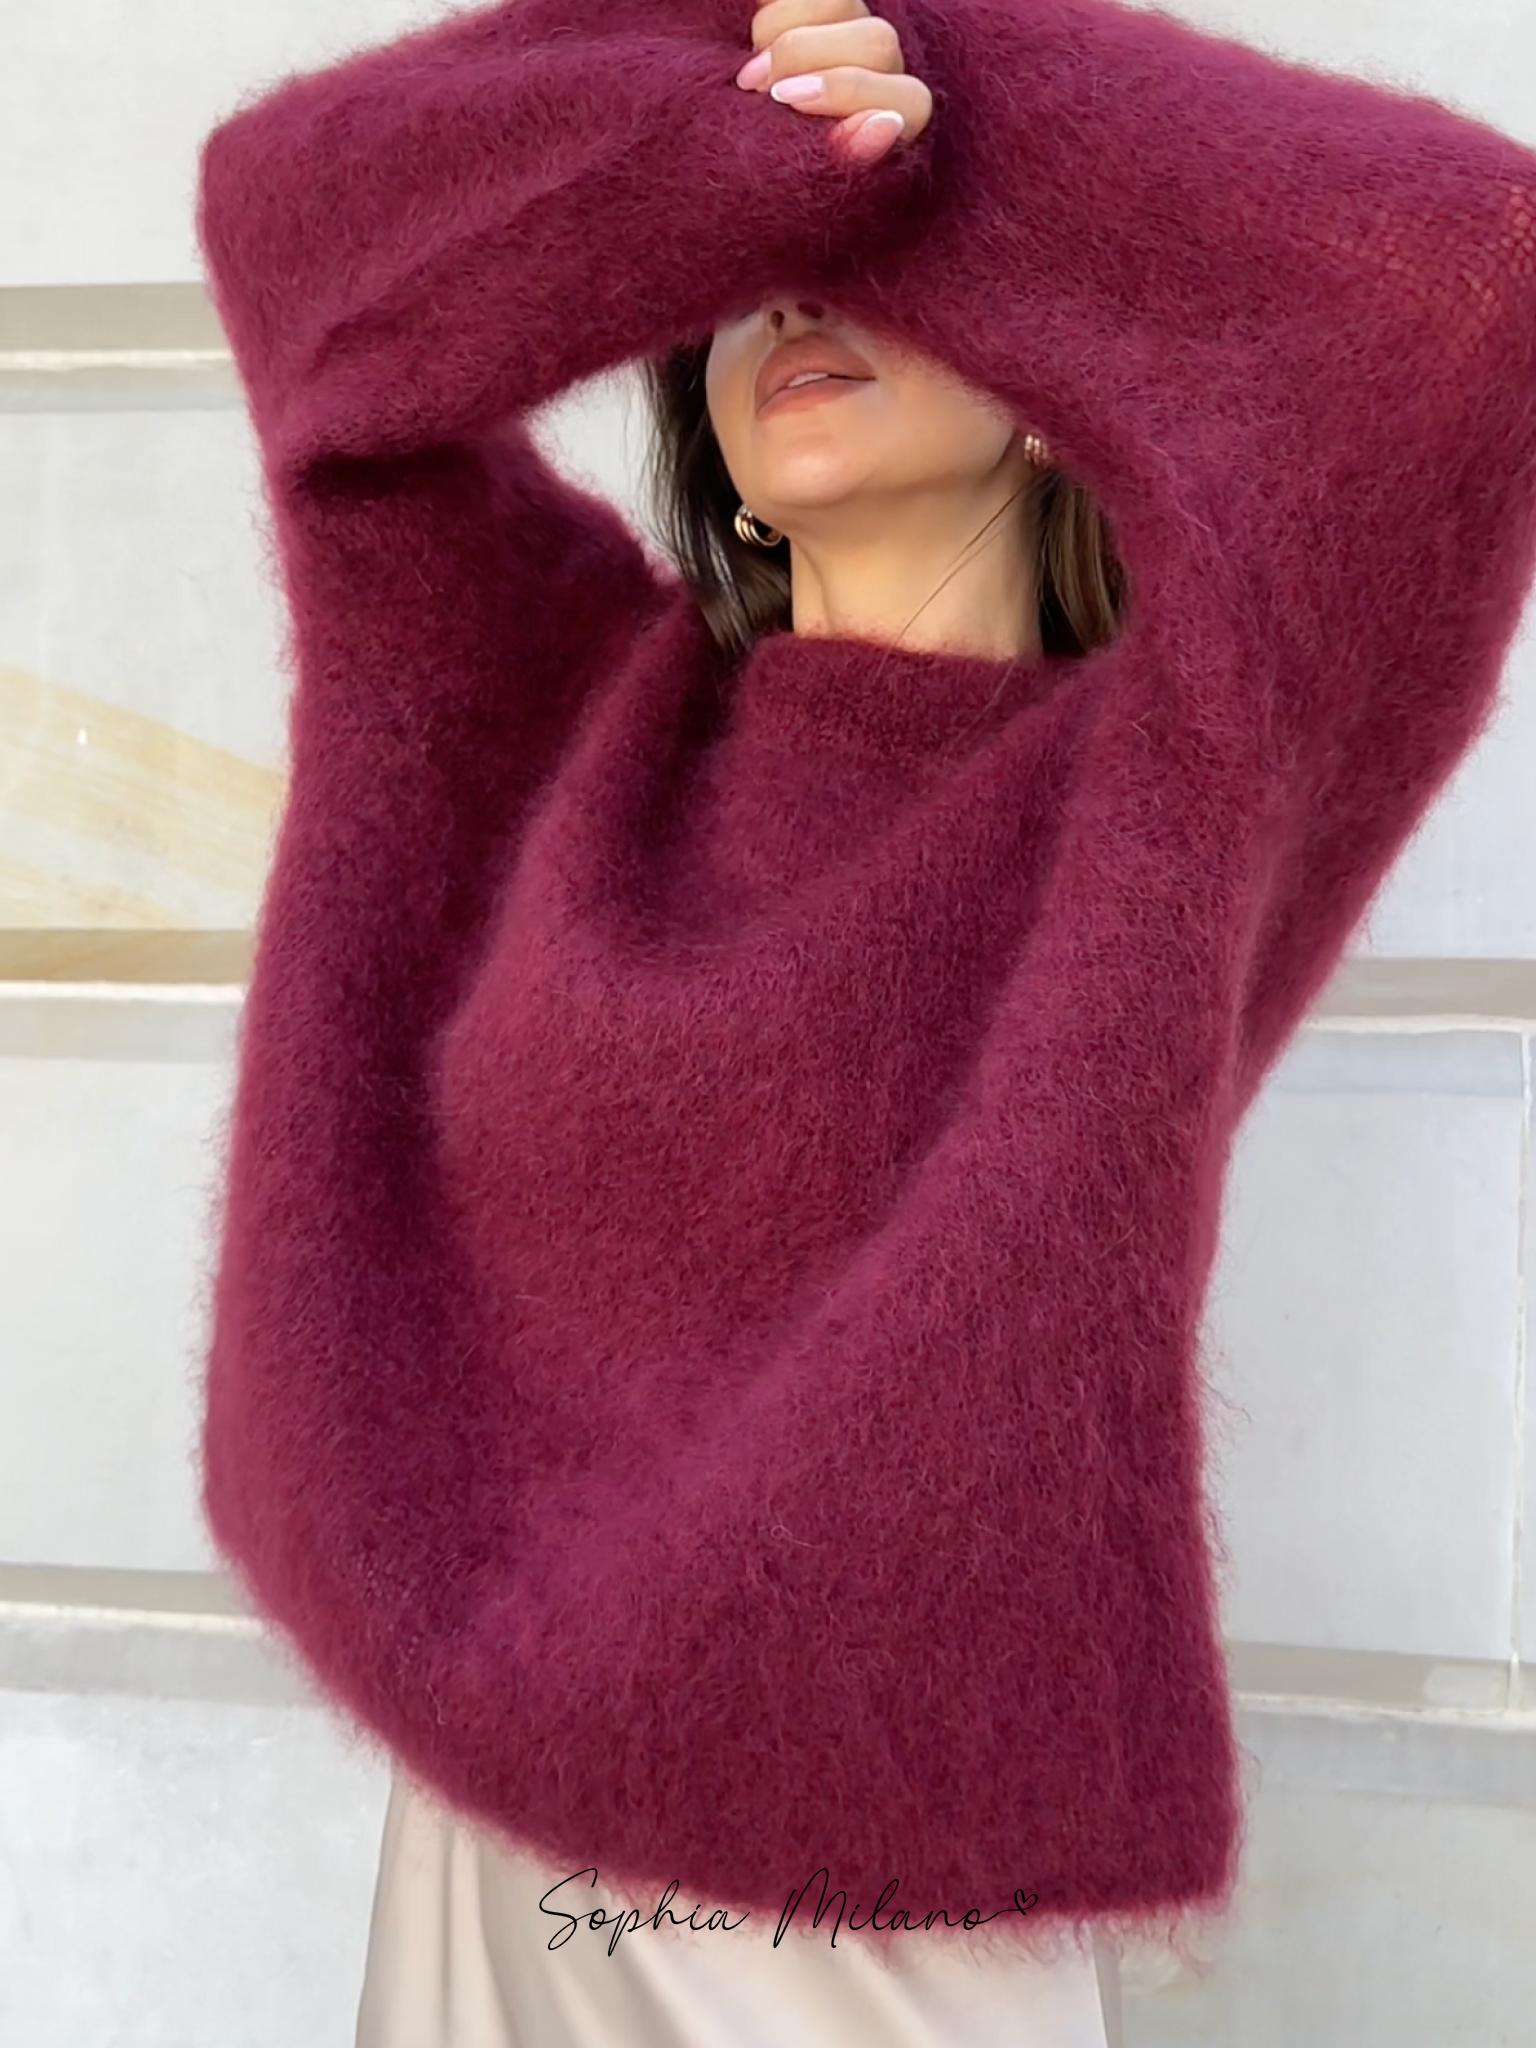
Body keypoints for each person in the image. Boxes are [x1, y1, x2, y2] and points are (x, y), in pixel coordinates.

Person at [192, 0, 1536, 2043]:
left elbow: (1472, 286)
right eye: (743, 291)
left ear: (1060, 377)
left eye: (890, 270)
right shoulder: (544, 716)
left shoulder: (1178, 790)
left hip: (864, 1903)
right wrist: (731, 119)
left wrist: (941, 100)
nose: (800, 297)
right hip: (493, 1846)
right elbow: (289, 231)